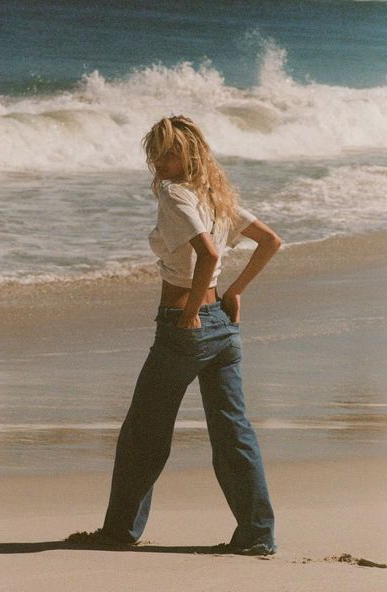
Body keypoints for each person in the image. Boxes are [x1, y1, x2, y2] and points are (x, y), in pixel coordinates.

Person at [66, 115, 281, 555]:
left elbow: (208, 253)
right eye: (157, 153)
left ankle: (119, 532)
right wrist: (233, 292)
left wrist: (187, 315)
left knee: (143, 433)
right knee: (232, 432)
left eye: (171, 152)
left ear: (191, 154)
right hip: (222, 330)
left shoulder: (175, 195)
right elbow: (270, 241)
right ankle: (257, 535)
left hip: (186, 328)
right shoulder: (214, 195)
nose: (162, 163)